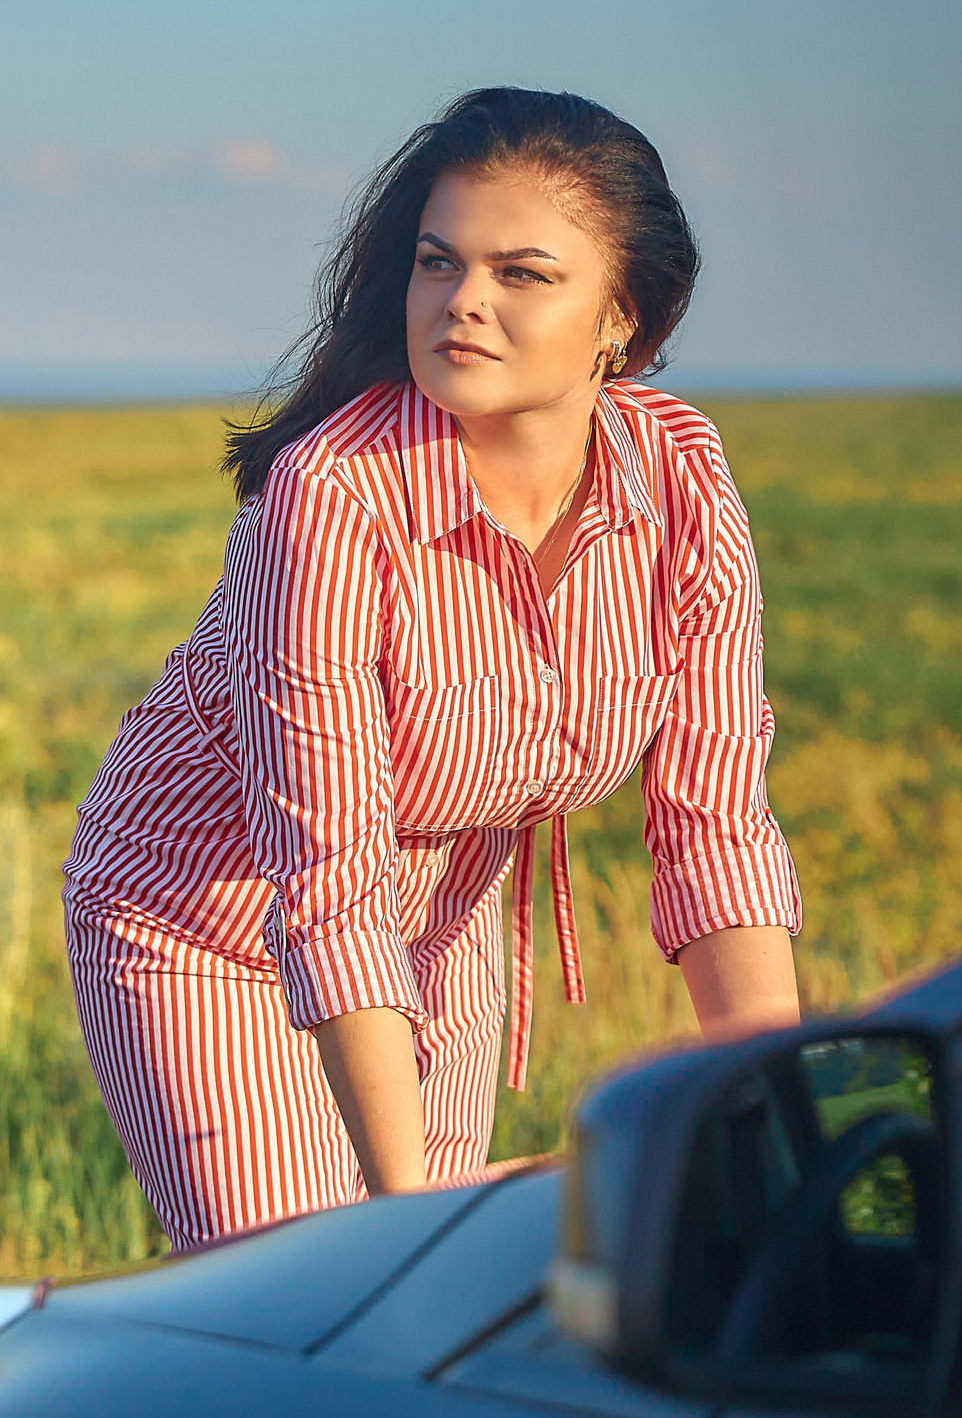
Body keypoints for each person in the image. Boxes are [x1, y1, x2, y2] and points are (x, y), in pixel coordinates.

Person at [62, 87, 803, 1252]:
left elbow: (714, 826)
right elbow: (332, 867)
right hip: (203, 923)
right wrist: (401, 1204)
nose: (462, 302)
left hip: (442, 934)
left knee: (434, 1328)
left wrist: (775, 1122)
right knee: (322, 1294)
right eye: (437, 262)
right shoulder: (331, 498)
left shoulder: (683, 481)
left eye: (523, 274)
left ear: (627, 321)